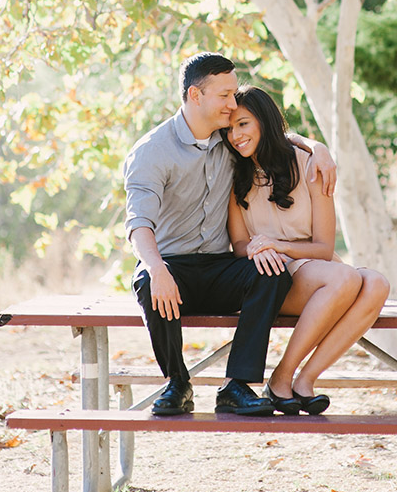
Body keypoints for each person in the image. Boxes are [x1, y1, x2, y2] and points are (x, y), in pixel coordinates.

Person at [124, 52, 336, 417]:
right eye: (224, 95)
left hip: (220, 265)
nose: (232, 103)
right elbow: (138, 222)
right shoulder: (152, 151)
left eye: (234, 93)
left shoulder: (229, 137)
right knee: (148, 280)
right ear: (195, 95)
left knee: (271, 271)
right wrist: (157, 269)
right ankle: (177, 383)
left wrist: (318, 148)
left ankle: (237, 385)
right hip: (173, 266)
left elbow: (272, 132)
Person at [226, 86, 390, 415]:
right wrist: (262, 249)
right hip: (273, 280)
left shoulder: (311, 166)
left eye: (243, 124)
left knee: (377, 284)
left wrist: (278, 243)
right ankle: (281, 379)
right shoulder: (233, 175)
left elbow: (324, 247)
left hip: (317, 268)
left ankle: (303, 380)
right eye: (229, 128)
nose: (235, 135)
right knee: (344, 278)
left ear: (263, 120)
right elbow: (240, 245)